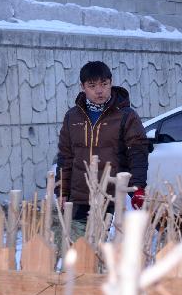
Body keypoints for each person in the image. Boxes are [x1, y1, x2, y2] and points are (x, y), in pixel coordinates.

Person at [57, 61, 149, 231]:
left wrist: (137, 188)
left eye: (104, 84)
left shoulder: (126, 116)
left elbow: (138, 152)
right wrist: (62, 190)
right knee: (80, 250)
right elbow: (65, 156)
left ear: (111, 83)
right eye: (92, 86)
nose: (99, 90)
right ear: (82, 86)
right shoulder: (72, 117)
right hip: (80, 198)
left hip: (114, 197)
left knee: (108, 252)